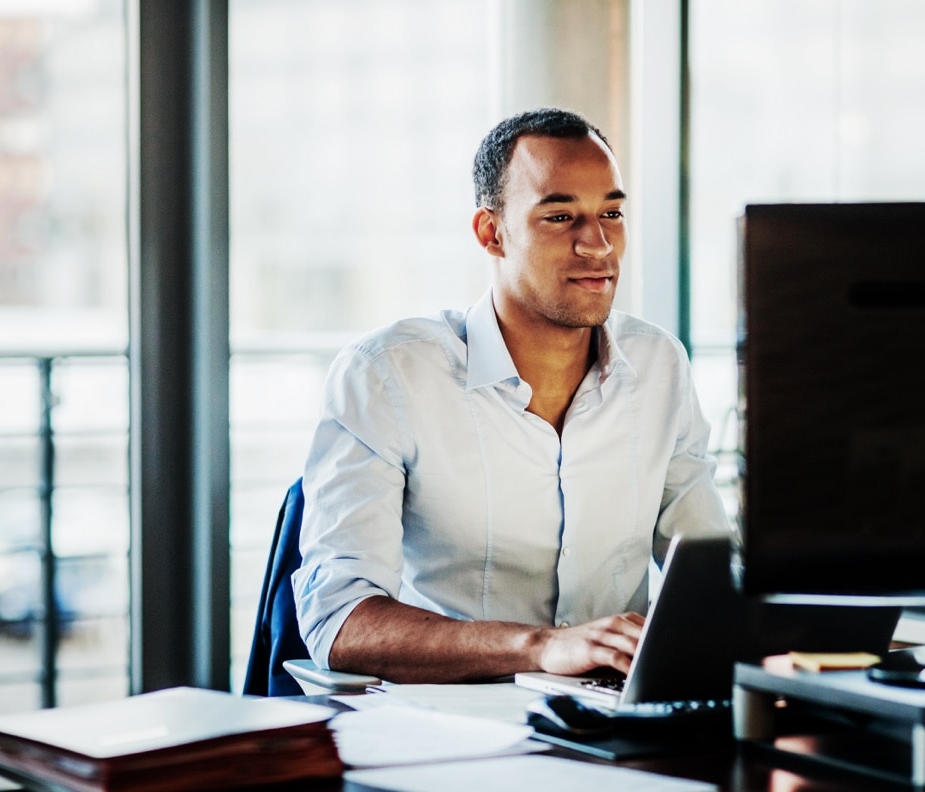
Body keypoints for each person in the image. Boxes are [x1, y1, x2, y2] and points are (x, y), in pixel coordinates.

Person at [292, 107, 729, 684]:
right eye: (560, 217)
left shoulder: (658, 365)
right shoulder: (386, 375)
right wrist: (541, 647)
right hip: (455, 716)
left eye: (612, 213)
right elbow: (339, 622)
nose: (598, 244)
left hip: (616, 711)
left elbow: (712, 574)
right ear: (491, 233)